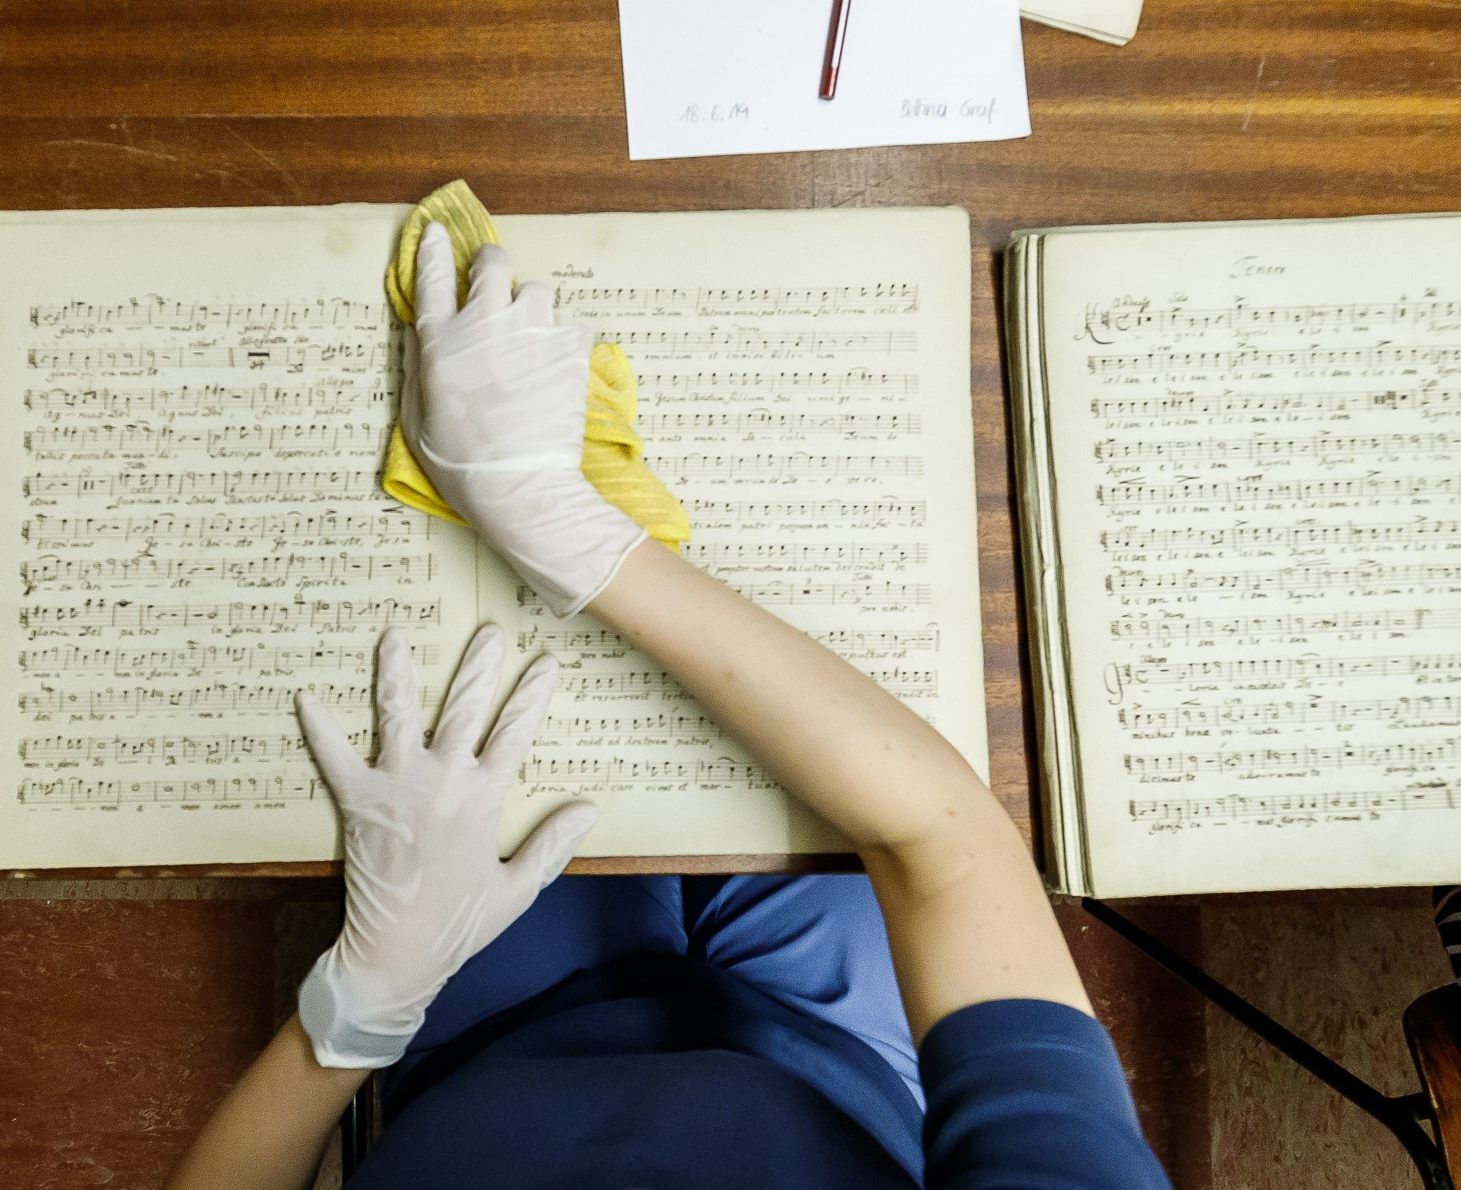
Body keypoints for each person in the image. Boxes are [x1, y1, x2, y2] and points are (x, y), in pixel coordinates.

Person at [166, 224, 1170, 1189]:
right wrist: (566, 532)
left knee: (475, 695)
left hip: (491, 1036)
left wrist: (349, 1020)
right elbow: (941, 839)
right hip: (834, 1047)